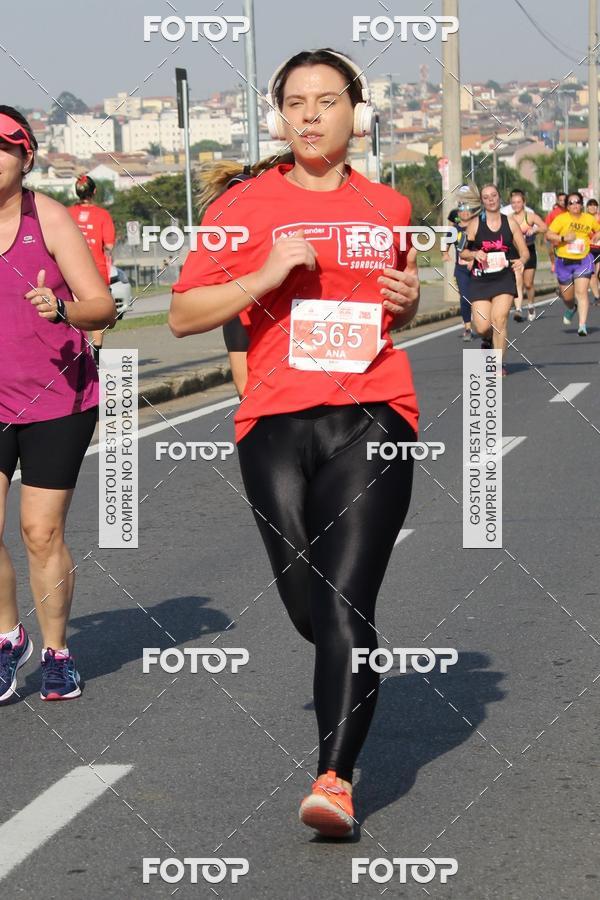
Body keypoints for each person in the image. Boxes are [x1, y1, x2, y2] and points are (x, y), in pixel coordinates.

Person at [169, 49, 420, 837]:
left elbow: (391, 308)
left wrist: (408, 304)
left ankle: (334, 782)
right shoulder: (243, 207)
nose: (311, 114)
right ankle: (354, 659)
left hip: (375, 409)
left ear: (356, 111)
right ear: (280, 116)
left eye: (327, 100)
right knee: (310, 610)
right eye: (296, 103)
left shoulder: (391, 206)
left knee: (346, 602)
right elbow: (182, 316)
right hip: (273, 421)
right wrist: (267, 271)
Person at [0, 107, 115, 702]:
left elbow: (102, 305)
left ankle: (57, 651)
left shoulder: (48, 218)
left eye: (4, 145)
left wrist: (63, 309)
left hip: (54, 398)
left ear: (27, 158)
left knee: (39, 531)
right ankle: (6, 636)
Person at [460, 184, 529, 376]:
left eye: (494, 195)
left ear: (500, 198)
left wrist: (521, 261)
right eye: (486, 197)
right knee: (482, 327)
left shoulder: (511, 223)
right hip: (481, 280)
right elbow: (462, 251)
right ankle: (487, 340)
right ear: (482, 201)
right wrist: (474, 253)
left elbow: (524, 252)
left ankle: (498, 364)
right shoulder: (475, 224)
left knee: (500, 320)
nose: (491, 199)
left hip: (503, 278)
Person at [68, 174, 116, 365]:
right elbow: (109, 246)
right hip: (97, 270)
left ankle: (77, 354)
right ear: (94, 192)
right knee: (97, 313)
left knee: (73, 312)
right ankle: (96, 357)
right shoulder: (103, 215)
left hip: (70, 269)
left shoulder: (66, 213)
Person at [547, 191, 600, 336]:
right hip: (564, 262)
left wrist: (597, 234)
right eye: (571, 203)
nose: (575, 205)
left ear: (581, 204)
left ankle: (582, 325)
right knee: (568, 297)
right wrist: (563, 238)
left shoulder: (588, 219)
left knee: (581, 293)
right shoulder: (561, 219)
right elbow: (548, 234)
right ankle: (571, 308)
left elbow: (599, 229)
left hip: (583, 260)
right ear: (567, 206)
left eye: (577, 202)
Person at [504, 189, 547, 323]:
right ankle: (518, 309)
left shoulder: (530, 216)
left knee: (528, 283)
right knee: (518, 281)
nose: (516, 205)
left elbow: (544, 227)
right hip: (515, 252)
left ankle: (531, 306)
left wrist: (534, 229)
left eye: (518, 202)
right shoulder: (509, 218)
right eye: (513, 203)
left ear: (524, 202)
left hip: (529, 250)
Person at [445, 184, 481, 341]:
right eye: (461, 210)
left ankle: (483, 326)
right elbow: (445, 243)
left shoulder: (479, 226)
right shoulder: (455, 229)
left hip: (479, 268)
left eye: (467, 209)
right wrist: (445, 253)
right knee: (465, 297)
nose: (464, 212)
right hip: (461, 269)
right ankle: (468, 327)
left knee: (479, 298)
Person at [544, 191, 567, 273]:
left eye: (564, 200)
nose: (563, 202)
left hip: (568, 241)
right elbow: (547, 226)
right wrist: (547, 237)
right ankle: (554, 264)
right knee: (558, 259)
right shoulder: (553, 213)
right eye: (561, 200)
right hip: (556, 241)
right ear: (557, 201)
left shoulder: (570, 211)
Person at [585, 198, 600, 305]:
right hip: (589, 249)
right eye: (590, 205)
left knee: (598, 273)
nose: (592, 207)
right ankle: (597, 297)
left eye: (594, 205)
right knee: (593, 273)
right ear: (587, 207)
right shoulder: (584, 219)